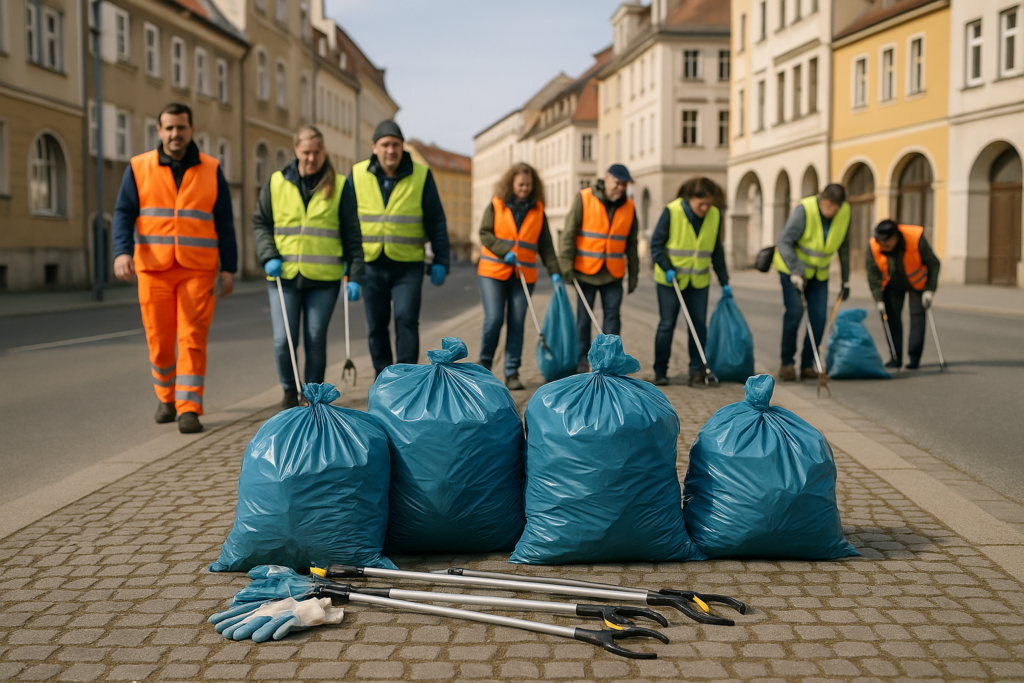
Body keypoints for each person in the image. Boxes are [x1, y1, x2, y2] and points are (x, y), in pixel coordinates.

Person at [112, 103, 237, 433]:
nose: (175, 134)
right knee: (160, 339)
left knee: (192, 337)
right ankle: (166, 397)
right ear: (159, 131)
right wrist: (121, 253)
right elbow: (124, 213)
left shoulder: (211, 168)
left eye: (181, 128)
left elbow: (224, 221)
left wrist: (230, 268)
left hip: (197, 269)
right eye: (168, 128)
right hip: (152, 269)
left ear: (191, 130)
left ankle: (189, 407)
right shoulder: (139, 167)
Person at [252, 125, 364, 408]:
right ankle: (290, 392)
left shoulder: (339, 185)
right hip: (283, 275)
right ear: (296, 150)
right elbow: (261, 222)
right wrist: (268, 255)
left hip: (323, 278)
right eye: (306, 152)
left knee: (315, 338)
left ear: (323, 151)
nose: (311, 158)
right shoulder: (277, 182)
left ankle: (312, 396)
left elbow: (352, 233)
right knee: (282, 340)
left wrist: (355, 276)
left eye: (316, 152)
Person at [341, 120, 449, 375]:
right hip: (370, 264)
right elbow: (345, 223)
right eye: (385, 145)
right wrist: (349, 266)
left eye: (396, 145)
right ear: (374, 148)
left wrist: (442, 260)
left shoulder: (421, 175)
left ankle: (407, 378)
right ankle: (383, 378)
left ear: (403, 147)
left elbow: (436, 220)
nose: (391, 150)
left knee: (406, 320)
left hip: (408, 265)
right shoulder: (357, 174)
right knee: (377, 325)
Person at [477, 163, 562, 390]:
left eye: (528, 185)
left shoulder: (537, 211)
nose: (524, 189)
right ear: (511, 184)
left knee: (517, 323)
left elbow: (546, 246)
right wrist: (504, 251)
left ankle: (512, 372)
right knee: (494, 318)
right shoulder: (496, 205)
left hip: (523, 275)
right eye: (520, 184)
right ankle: (484, 366)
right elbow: (484, 233)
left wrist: (555, 272)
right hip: (493, 271)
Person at [559, 164, 639, 372]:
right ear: (607, 178)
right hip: (585, 271)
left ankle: (609, 362)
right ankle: (581, 361)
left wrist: (634, 273)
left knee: (612, 319)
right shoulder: (584, 198)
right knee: (583, 320)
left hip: (613, 272)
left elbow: (632, 242)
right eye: (617, 182)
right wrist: (565, 264)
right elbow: (569, 233)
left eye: (624, 184)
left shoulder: (629, 206)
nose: (620, 187)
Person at [650, 177, 730, 386]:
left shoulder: (714, 215)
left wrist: (724, 281)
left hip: (699, 281)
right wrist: (667, 267)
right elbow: (656, 245)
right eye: (700, 204)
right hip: (671, 280)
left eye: (708, 204)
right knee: (667, 325)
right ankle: (660, 371)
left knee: (698, 326)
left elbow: (716, 250)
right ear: (689, 199)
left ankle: (697, 370)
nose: (704, 208)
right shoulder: (672, 211)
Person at [772, 183, 851, 381]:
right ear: (824, 201)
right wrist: (796, 270)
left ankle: (807, 364)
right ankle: (787, 364)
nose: (835, 212)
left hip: (819, 274)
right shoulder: (804, 210)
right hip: (792, 271)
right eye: (832, 207)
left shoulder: (843, 212)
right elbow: (784, 241)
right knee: (795, 313)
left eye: (838, 208)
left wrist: (846, 279)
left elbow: (844, 246)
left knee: (818, 319)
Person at [867, 219, 941, 369]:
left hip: (918, 285)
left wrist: (929, 290)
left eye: (886, 243)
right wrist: (878, 299)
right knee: (891, 318)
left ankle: (914, 358)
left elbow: (934, 263)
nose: (883, 246)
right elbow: (873, 273)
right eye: (880, 242)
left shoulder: (915, 238)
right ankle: (896, 357)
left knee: (917, 318)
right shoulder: (874, 245)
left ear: (895, 237)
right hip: (892, 284)